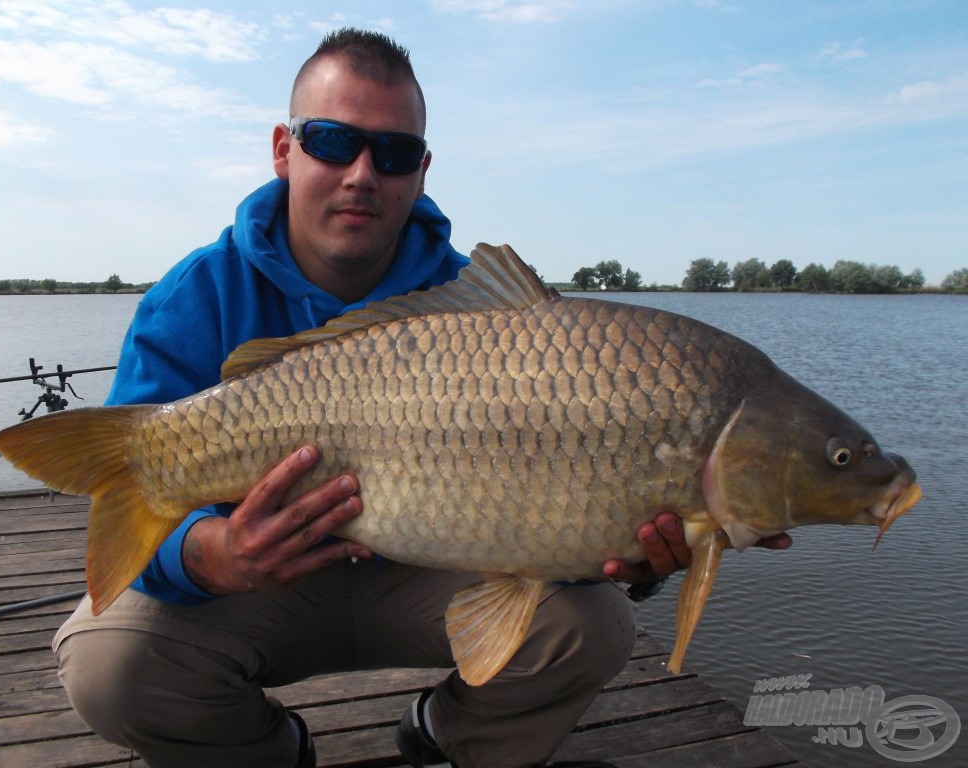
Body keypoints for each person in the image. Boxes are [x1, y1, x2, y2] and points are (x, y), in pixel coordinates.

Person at [53, 28, 789, 768]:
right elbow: (145, 545)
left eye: (394, 152)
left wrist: (631, 556)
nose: (363, 173)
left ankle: (446, 736)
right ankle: (269, 752)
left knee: (591, 626)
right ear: (285, 149)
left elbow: (546, 509)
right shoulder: (196, 295)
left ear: (422, 169)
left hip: (425, 577)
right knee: (107, 665)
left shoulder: (480, 312)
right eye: (333, 141)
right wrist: (213, 556)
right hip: (263, 585)